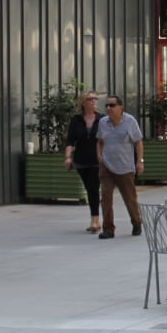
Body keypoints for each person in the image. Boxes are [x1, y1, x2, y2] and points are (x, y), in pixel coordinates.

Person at [94, 94, 144, 239]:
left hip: (125, 167)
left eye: (112, 105)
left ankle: (136, 222)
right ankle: (108, 229)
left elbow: (138, 142)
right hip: (107, 166)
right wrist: (99, 156)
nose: (108, 108)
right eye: (107, 106)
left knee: (129, 198)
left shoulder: (130, 121)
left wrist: (140, 161)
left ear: (120, 107)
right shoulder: (103, 122)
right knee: (106, 197)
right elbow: (100, 141)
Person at [62, 90, 103, 233]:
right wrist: (67, 157)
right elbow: (70, 140)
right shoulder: (76, 120)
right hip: (81, 160)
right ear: (83, 103)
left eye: (95, 99)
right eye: (90, 99)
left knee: (93, 188)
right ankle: (96, 217)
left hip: (97, 160)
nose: (93, 101)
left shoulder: (102, 119)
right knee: (89, 188)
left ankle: (95, 220)